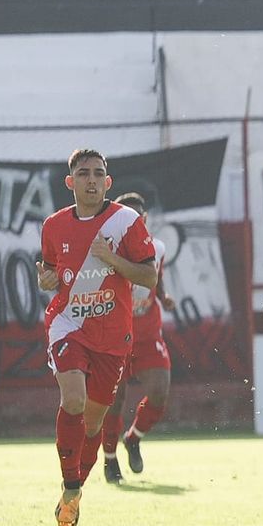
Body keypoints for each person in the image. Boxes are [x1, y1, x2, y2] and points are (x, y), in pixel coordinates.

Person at [37, 149, 157, 526]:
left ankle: (73, 494)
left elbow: (149, 277)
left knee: (93, 424)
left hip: (112, 336)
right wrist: (47, 281)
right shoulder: (53, 226)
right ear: (70, 182)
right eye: (83, 173)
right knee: (72, 399)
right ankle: (71, 483)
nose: (91, 179)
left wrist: (112, 259)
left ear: (108, 183)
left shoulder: (125, 221)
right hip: (68, 323)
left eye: (98, 174)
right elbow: (54, 272)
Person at [100, 193, 175, 484]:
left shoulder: (157, 247)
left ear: (144, 220)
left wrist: (164, 296)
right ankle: (109, 459)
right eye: (127, 216)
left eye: (138, 217)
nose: (134, 221)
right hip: (115, 335)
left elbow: (156, 277)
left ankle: (133, 438)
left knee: (160, 391)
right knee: (114, 401)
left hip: (147, 333)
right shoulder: (107, 250)